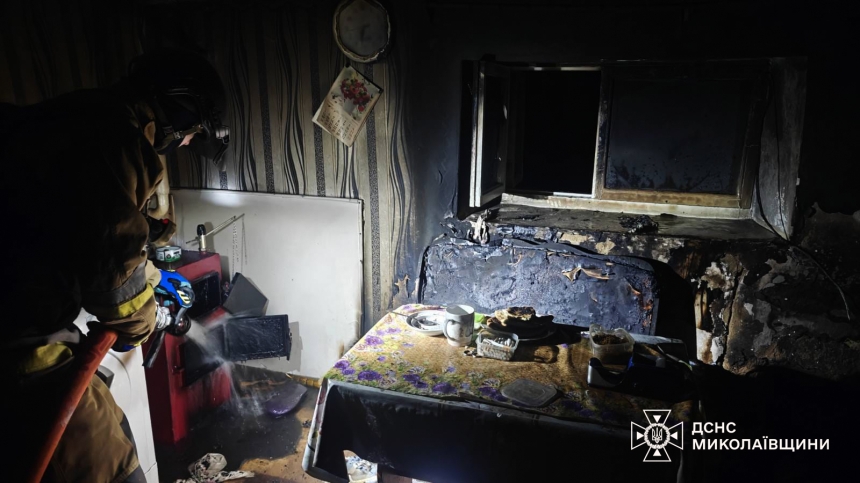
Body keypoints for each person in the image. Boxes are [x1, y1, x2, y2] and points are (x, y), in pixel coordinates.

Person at [0, 49, 229, 482]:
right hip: (22, 352)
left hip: (27, 324)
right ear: (178, 111)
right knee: (115, 468)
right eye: (191, 134)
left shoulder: (76, 117)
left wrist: (153, 278)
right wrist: (146, 319)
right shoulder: (115, 139)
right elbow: (114, 266)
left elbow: (97, 237)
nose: (185, 144)